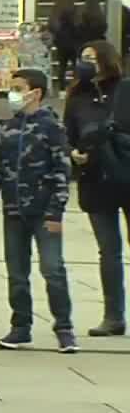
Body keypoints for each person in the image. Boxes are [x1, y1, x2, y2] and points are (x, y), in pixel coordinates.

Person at [0, 69, 77, 353]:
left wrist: (56, 212)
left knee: (52, 269)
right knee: (17, 272)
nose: (13, 93)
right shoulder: (6, 129)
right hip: (13, 212)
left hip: (44, 211)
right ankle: (21, 327)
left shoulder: (52, 128)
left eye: (18, 88)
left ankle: (64, 327)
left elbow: (62, 171)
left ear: (35, 93)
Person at [65, 41, 129, 337]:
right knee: (109, 251)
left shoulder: (124, 89)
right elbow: (69, 134)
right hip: (95, 179)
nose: (85, 63)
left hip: (126, 174)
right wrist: (73, 154)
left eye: (91, 58)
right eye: (82, 58)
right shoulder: (77, 96)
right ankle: (113, 315)